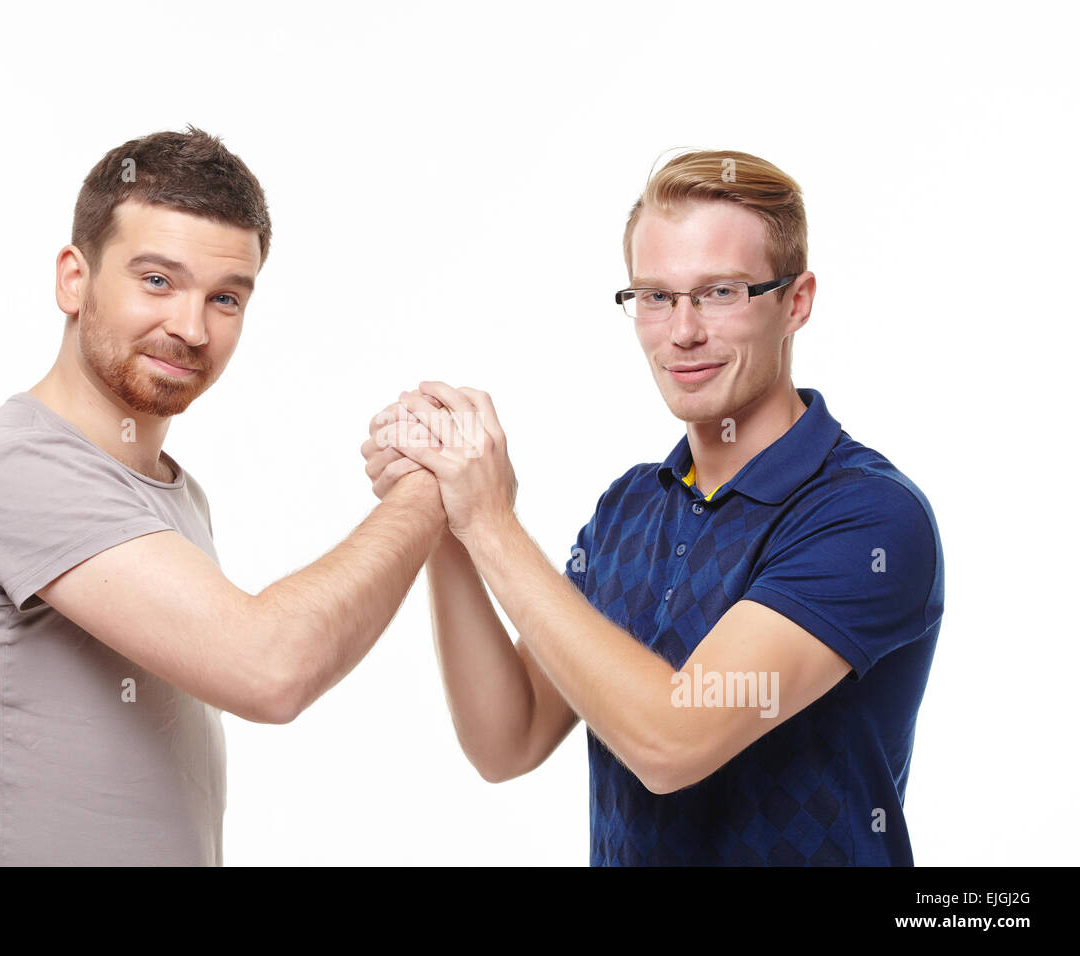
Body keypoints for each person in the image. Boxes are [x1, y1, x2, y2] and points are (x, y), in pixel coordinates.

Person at [363, 149, 944, 865]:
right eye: (656, 296)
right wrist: (449, 522)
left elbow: (672, 741)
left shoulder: (866, 516)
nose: (683, 332)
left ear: (796, 301)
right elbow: (505, 740)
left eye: (721, 293)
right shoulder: (629, 508)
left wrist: (492, 522)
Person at [0, 125, 445, 865]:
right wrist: (428, 490)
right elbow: (269, 669)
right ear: (73, 277)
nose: (190, 328)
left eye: (225, 298)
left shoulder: (170, 494)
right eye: (157, 280)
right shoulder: (12, 472)